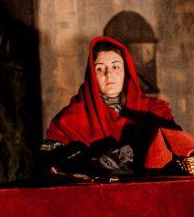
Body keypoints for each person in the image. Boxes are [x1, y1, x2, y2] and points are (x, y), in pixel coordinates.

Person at [40, 36, 177, 176]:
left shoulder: (155, 112)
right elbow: (48, 166)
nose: (109, 74)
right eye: (100, 69)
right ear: (92, 75)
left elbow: (178, 155)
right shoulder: (69, 119)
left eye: (115, 67)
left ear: (127, 71)